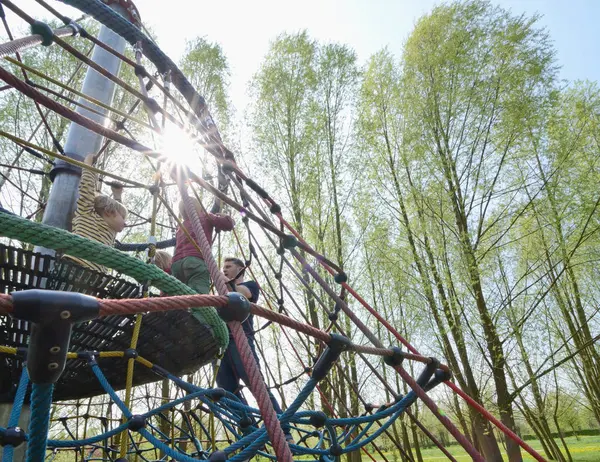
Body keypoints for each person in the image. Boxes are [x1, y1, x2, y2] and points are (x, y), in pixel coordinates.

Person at [218, 257, 294, 444]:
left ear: (241, 269)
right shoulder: (219, 291)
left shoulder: (250, 285)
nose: (225, 269)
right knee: (226, 390)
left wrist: (219, 277)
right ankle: (248, 429)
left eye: (228, 267)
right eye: (223, 267)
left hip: (241, 339)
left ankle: (283, 431)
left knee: (255, 384)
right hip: (222, 342)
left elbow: (239, 294)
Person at [66, 154, 127, 273]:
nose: (125, 223)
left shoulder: (111, 230)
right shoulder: (86, 213)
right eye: (123, 218)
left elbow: (117, 210)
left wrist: (117, 195)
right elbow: (86, 188)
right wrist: (88, 163)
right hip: (74, 267)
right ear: (110, 212)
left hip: (95, 277)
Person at [170, 197, 234, 295]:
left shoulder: (180, 226)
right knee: (199, 298)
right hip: (195, 261)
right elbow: (228, 225)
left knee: (178, 297)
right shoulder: (205, 216)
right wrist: (225, 216)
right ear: (199, 207)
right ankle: (199, 310)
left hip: (176, 264)